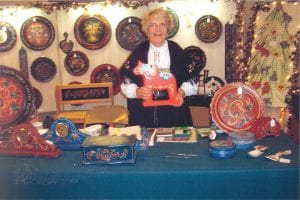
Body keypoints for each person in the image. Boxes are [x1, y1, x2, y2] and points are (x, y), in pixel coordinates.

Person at [120, 8, 198, 128]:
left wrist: (181, 93)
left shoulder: (177, 51)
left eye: (162, 25)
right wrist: (137, 92)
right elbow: (126, 81)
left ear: (167, 30)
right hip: (144, 114)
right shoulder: (139, 52)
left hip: (174, 113)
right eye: (153, 25)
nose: (158, 29)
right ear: (147, 30)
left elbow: (191, 80)